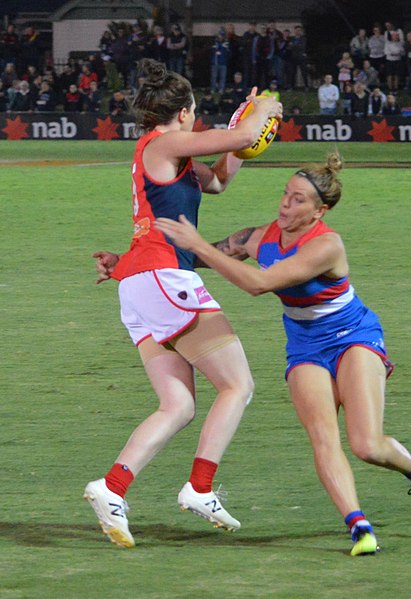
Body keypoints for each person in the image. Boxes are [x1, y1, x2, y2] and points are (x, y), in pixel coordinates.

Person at [154, 153, 411, 556]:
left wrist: (198, 247)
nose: (285, 204)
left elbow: (259, 284)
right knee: (323, 438)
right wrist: (126, 264)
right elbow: (189, 257)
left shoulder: (326, 246)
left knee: (366, 445)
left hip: (353, 336)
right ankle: (358, 527)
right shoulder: (257, 238)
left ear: (320, 211)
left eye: (298, 200)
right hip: (305, 345)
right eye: (285, 194)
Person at [85, 58, 282, 548]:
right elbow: (238, 138)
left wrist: (244, 132)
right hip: (162, 280)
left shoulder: (171, 154)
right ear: (185, 112)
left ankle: (110, 489)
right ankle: (199, 487)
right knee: (237, 385)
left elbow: (220, 178)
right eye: (196, 112)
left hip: (143, 282)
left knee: (178, 404)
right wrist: (263, 107)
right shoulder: (165, 141)